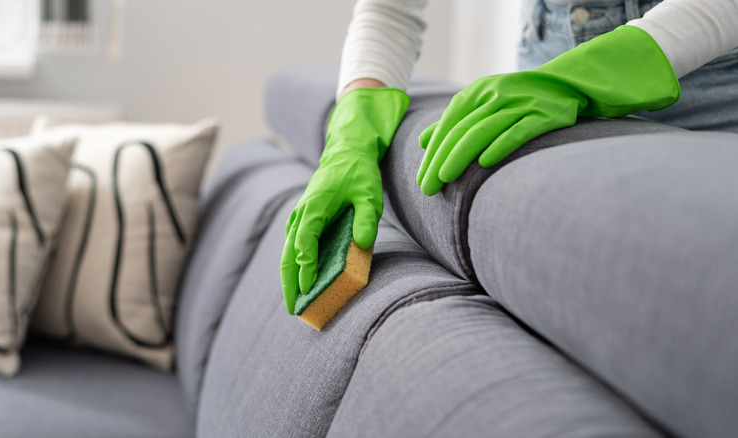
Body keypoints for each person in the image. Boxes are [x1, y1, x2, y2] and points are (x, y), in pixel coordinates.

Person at [280, 0, 738, 314]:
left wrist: (603, 71)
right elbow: (392, 10)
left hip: (717, 81)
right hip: (551, 63)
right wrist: (351, 128)